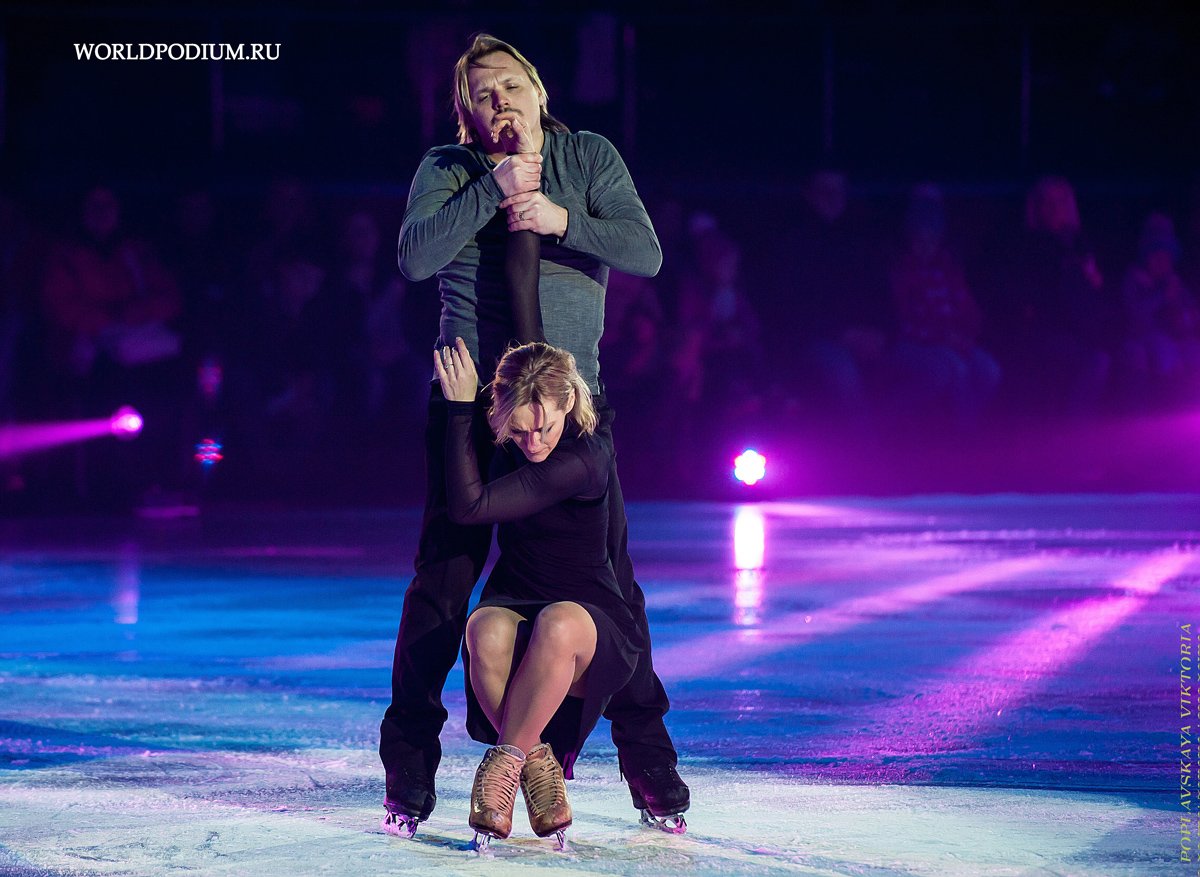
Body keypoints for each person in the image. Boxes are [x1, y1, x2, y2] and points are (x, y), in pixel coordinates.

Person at [378, 33, 688, 839]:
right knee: (442, 591)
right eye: (482, 94)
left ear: (538, 89)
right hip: (475, 409)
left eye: (510, 85)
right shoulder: (448, 170)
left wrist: (558, 216)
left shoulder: (586, 158)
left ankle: (650, 768)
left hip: (574, 414)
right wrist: (493, 189)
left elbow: (645, 251)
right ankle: (411, 771)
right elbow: (414, 260)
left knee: (613, 587)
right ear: (465, 114)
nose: (500, 102)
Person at [434, 338, 639, 848]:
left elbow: (471, 507)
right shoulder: (518, 425)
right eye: (519, 431)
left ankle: (502, 770)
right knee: (483, 626)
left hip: (590, 616)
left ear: (568, 401)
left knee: (559, 622)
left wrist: (459, 411)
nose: (532, 443)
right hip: (518, 595)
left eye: (542, 427)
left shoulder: (585, 457)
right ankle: (536, 760)